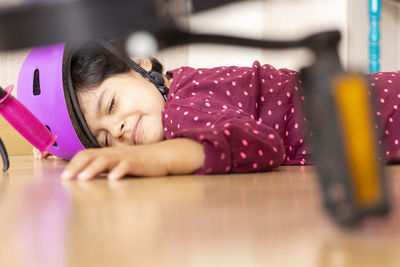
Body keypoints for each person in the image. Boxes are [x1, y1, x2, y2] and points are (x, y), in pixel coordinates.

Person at [32, 41, 400, 181]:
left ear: (140, 65)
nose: (121, 130)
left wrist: (160, 159)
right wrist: (59, 147)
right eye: (104, 139)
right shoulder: (183, 87)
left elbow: (262, 144)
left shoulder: (180, 108)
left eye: (111, 106)